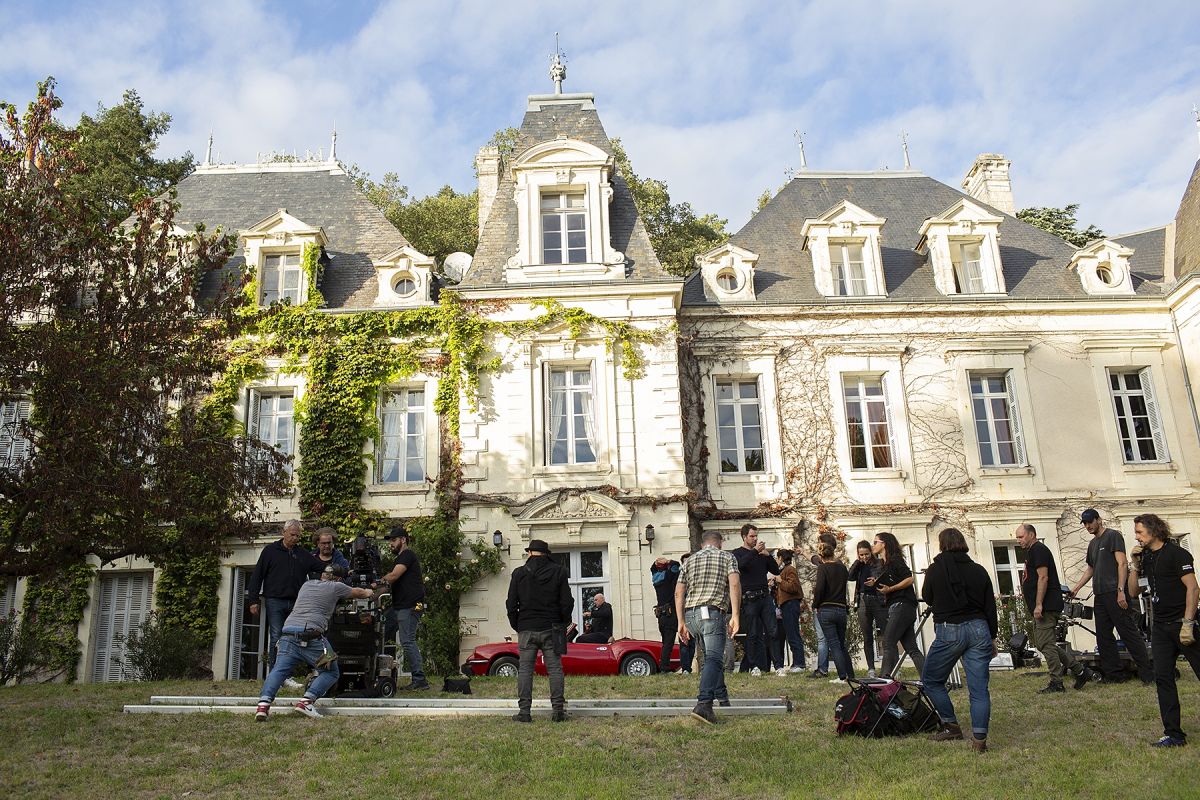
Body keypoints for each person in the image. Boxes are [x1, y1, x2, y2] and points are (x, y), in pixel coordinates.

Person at [255, 564, 375, 720]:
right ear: (338, 578)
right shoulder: (336, 586)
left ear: (323, 575)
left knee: (278, 670)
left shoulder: (307, 584)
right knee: (331, 671)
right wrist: (370, 590)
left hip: (288, 634)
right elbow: (359, 593)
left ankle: (263, 706)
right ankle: (306, 702)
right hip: (312, 638)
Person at [921, 527, 998, 753]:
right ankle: (979, 740)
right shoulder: (979, 570)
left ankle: (951, 724)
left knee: (932, 680)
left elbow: (927, 597)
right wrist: (992, 637)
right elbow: (989, 607)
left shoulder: (935, 570)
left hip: (950, 630)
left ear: (941, 544)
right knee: (979, 690)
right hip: (979, 629)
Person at [1127, 513, 1200, 747]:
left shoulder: (1177, 554)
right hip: (1160, 628)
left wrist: (1188, 623)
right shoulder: (1146, 558)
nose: (1136, 536)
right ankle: (1174, 734)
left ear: (1154, 530)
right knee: (1163, 679)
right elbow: (1133, 592)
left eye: (1139, 531)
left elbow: (1193, 589)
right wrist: (1135, 565)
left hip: (1183, 624)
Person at [1067, 508, 1153, 684]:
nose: (1087, 526)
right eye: (1084, 523)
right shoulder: (1092, 544)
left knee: (1128, 633)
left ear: (1098, 520)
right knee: (1104, 636)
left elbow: (1122, 564)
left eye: (1090, 521)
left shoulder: (1113, 536)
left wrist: (1121, 591)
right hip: (1100, 595)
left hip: (1115, 592)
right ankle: (1115, 675)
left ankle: (1147, 674)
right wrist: (1076, 588)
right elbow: (1091, 568)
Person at [1015, 523, 1096, 692]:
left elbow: (1043, 578)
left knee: (1045, 644)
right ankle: (1080, 671)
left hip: (1046, 606)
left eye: (1021, 537)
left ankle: (1057, 682)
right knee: (1044, 644)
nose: (1018, 540)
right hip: (1043, 606)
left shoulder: (1039, 550)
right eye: (1017, 537)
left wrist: (1039, 604)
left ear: (1031, 534)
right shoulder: (1032, 552)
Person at [676, 529, 741, 724]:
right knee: (714, 658)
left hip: (691, 615)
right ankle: (704, 704)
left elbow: (679, 593)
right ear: (719, 543)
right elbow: (735, 584)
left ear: (702, 544)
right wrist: (736, 615)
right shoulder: (727, 557)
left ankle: (722, 697)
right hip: (712, 612)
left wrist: (681, 622)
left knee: (709, 658)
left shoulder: (689, 561)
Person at [246, 519, 324, 680]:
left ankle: (288, 674)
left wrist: (340, 569)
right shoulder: (270, 551)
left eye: (298, 536)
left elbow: (319, 566)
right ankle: (276, 675)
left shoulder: (302, 553)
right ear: (284, 533)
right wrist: (253, 600)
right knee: (277, 636)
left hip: (296, 602)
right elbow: (257, 575)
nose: (295, 538)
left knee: (296, 637)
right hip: (275, 600)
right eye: (292, 535)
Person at [506, 538, 573, 722]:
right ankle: (558, 711)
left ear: (529, 553)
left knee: (525, 670)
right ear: (546, 554)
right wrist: (562, 622)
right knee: (555, 669)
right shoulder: (559, 571)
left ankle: (524, 712)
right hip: (551, 627)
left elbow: (511, 604)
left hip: (527, 628)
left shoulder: (519, 573)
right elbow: (567, 602)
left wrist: (518, 625)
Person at [870, 531, 925, 677]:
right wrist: (876, 583)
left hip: (901, 605)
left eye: (875, 542)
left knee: (888, 643)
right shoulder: (886, 563)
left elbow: (909, 579)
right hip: (903, 606)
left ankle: (884, 681)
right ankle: (929, 680)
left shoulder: (895, 560)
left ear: (884, 544)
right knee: (912, 648)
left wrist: (891, 589)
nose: (873, 545)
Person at [380, 525, 429, 690]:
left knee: (408, 640)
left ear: (403, 540)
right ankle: (384, 670)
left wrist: (376, 582)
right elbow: (390, 583)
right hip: (399, 606)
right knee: (382, 631)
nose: (390, 544)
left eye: (393, 540)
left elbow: (393, 576)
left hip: (411, 605)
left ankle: (420, 680)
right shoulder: (400, 558)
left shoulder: (407, 555)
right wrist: (369, 592)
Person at [733, 524, 780, 675]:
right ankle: (754, 667)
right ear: (744, 537)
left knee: (772, 631)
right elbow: (741, 565)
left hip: (764, 596)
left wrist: (768, 555)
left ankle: (778, 666)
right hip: (750, 598)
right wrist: (754, 551)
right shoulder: (738, 553)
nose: (755, 539)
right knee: (752, 633)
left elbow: (775, 570)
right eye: (752, 536)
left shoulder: (761, 555)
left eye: (756, 536)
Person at [812, 540, 855, 683]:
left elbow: (819, 589)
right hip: (841, 608)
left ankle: (842, 676)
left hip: (826, 608)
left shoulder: (823, 569)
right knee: (842, 644)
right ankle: (851, 675)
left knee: (834, 643)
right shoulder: (842, 568)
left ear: (821, 556)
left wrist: (815, 604)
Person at [848, 539, 886, 678]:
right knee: (867, 636)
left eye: (866, 554)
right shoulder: (859, 565)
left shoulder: (879, 563)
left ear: (871, 552)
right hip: (862, 600)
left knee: (885, 632)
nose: (864, 557)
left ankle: (889, 666)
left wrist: (875, 581)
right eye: (861, 555)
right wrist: (858, 562)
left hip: (878, 600)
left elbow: (884, 577)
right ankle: (871, 668)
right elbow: (850, 576)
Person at [773, 549, 806, 674]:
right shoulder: (784, 571)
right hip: (786, 605)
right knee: (791, 633)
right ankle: (796, 663)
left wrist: (780, 581)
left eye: (777, 558)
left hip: (791, 604)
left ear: (781, 558)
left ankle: (799, 663)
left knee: (793, 634)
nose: (777, 560)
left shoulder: (790, 569)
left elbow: (793, 587)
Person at [650, 557, 682, 672]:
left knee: (665, 642)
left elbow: (652, 568)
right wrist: (669, 561)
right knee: (669, 643)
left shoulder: (655, 578)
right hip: (670, 614)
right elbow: (676, 565)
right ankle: (664, 668)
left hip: (661, 616)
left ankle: (664, 666)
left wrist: (656, 562)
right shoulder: (668, 577)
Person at [675, 553, 696, 673]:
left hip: (693, 612)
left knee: (692, 642)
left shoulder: (695, 577)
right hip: (683, 614)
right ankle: (685, 668)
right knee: (684, 641)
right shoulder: (679, 578)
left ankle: (688, 667)